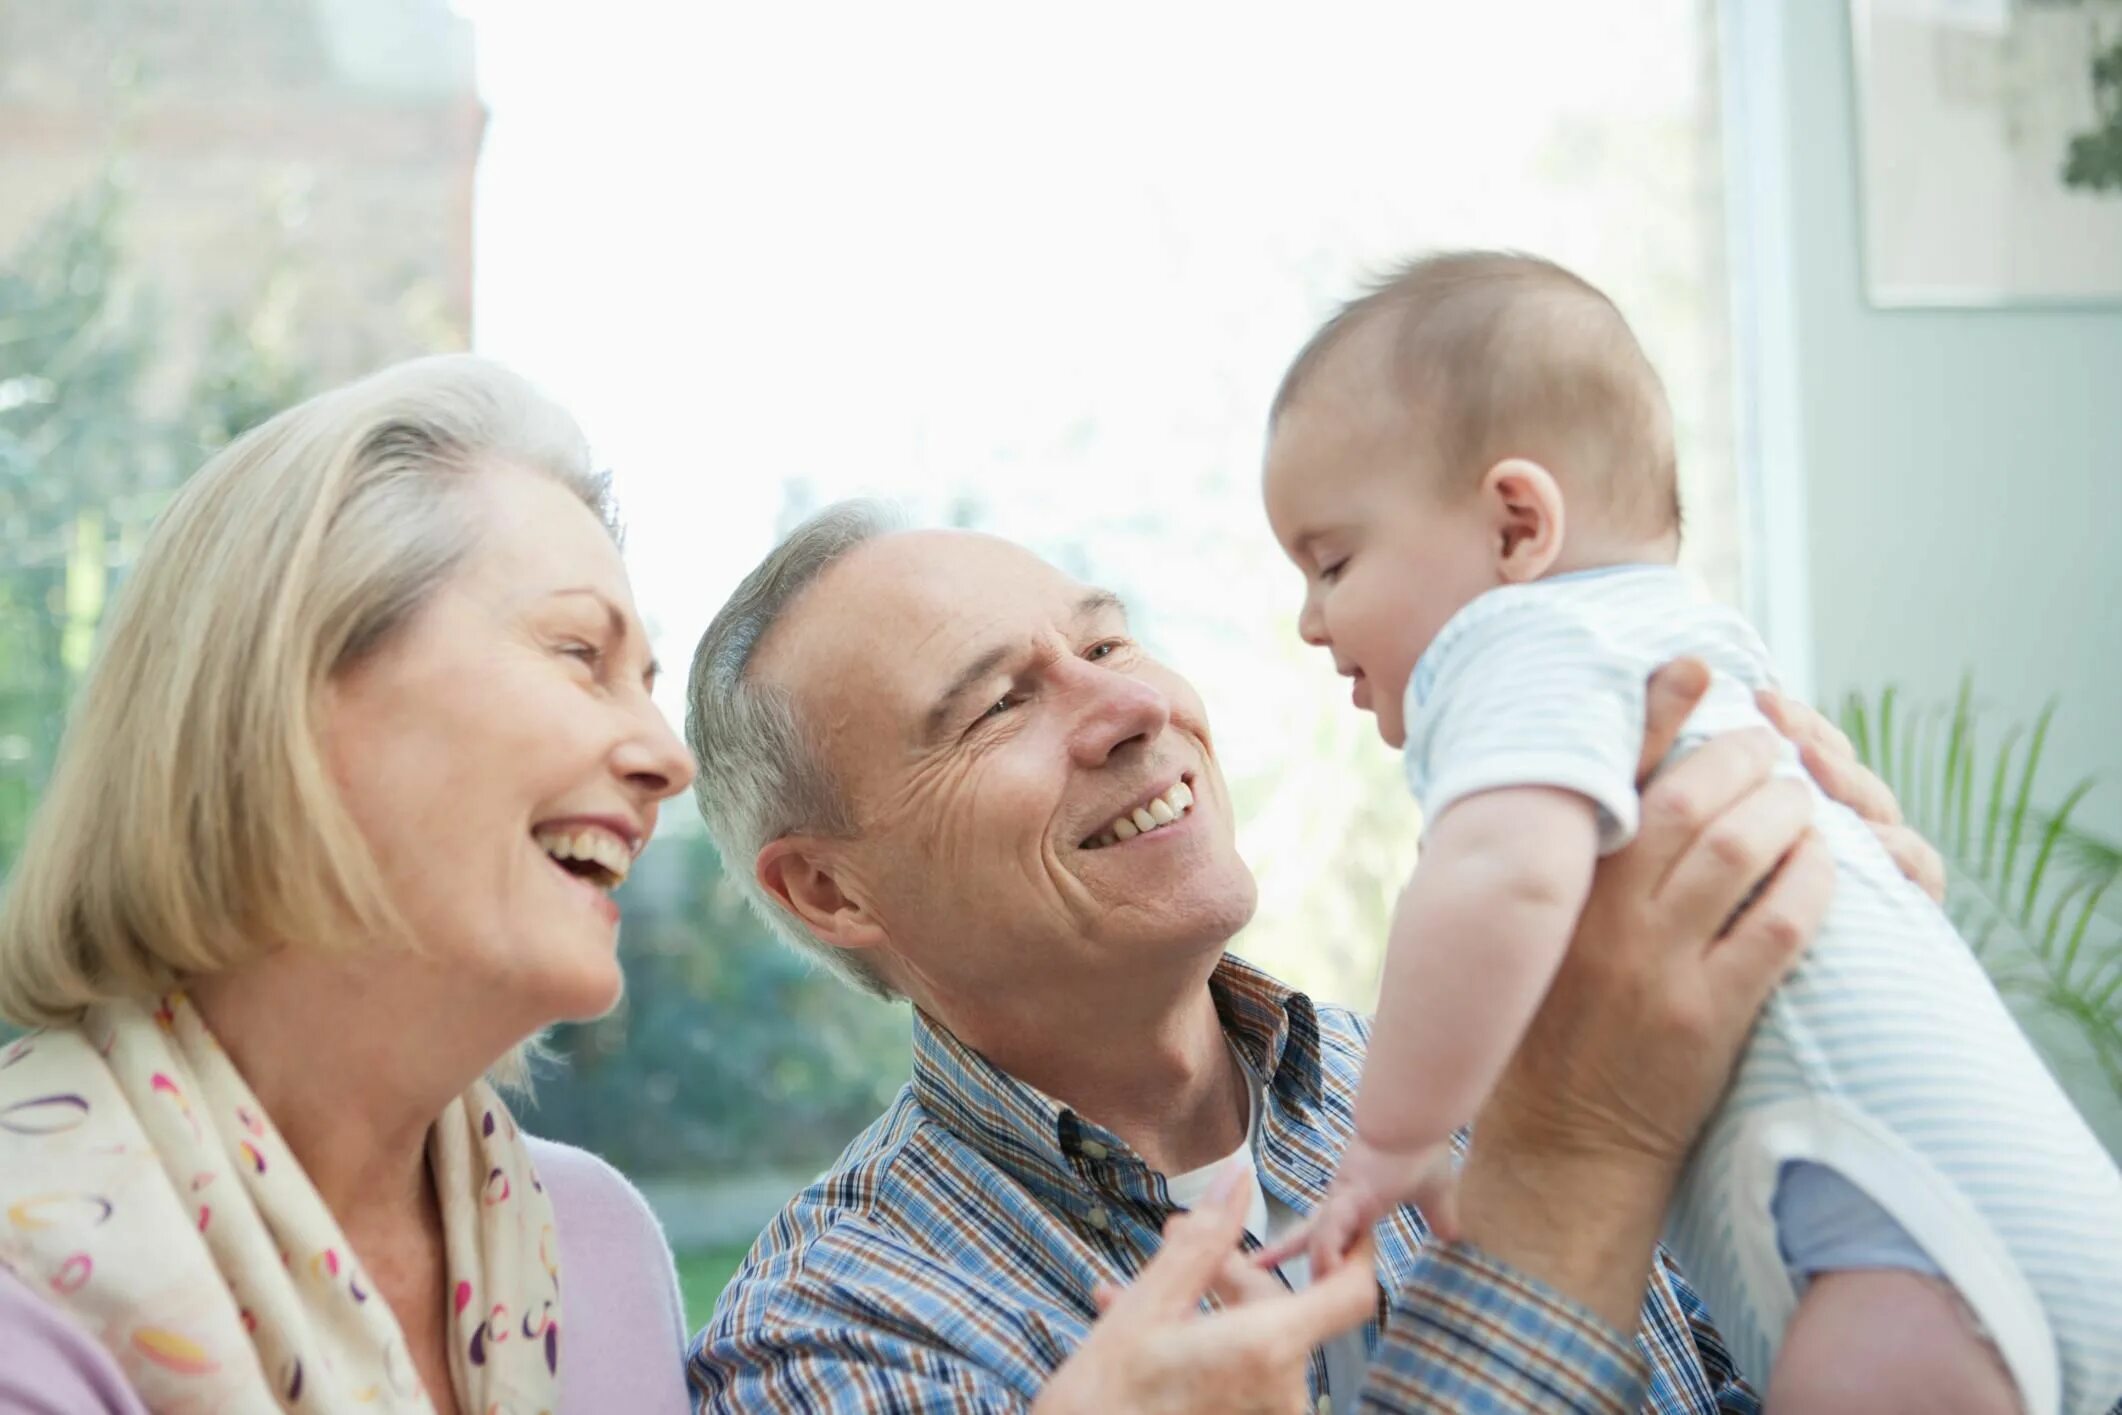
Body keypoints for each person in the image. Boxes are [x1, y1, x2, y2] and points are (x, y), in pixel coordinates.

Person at [682, 499, 1944, 1412]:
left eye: (1108, 641)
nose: (1135, 708)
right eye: (999, 702)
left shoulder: (1465, 1075)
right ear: (830, 888)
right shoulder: (824, 1336)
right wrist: (1574, 1162)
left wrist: (1855, 1029)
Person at [1258, 250, 2122, 1415]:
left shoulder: (1518, 642)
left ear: (1517, 524)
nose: (1311, 622)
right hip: (2008, 1211)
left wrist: (1395, 1138)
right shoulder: (1693, 645)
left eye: (1332, 562)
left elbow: (1500, 878)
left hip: (1902, 1264)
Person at [0, 357, 701, 1414]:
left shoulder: (600, 1249)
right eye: (577, 653)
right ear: (292, 695)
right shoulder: (22, 1272)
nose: (666, 754)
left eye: (646, 685)